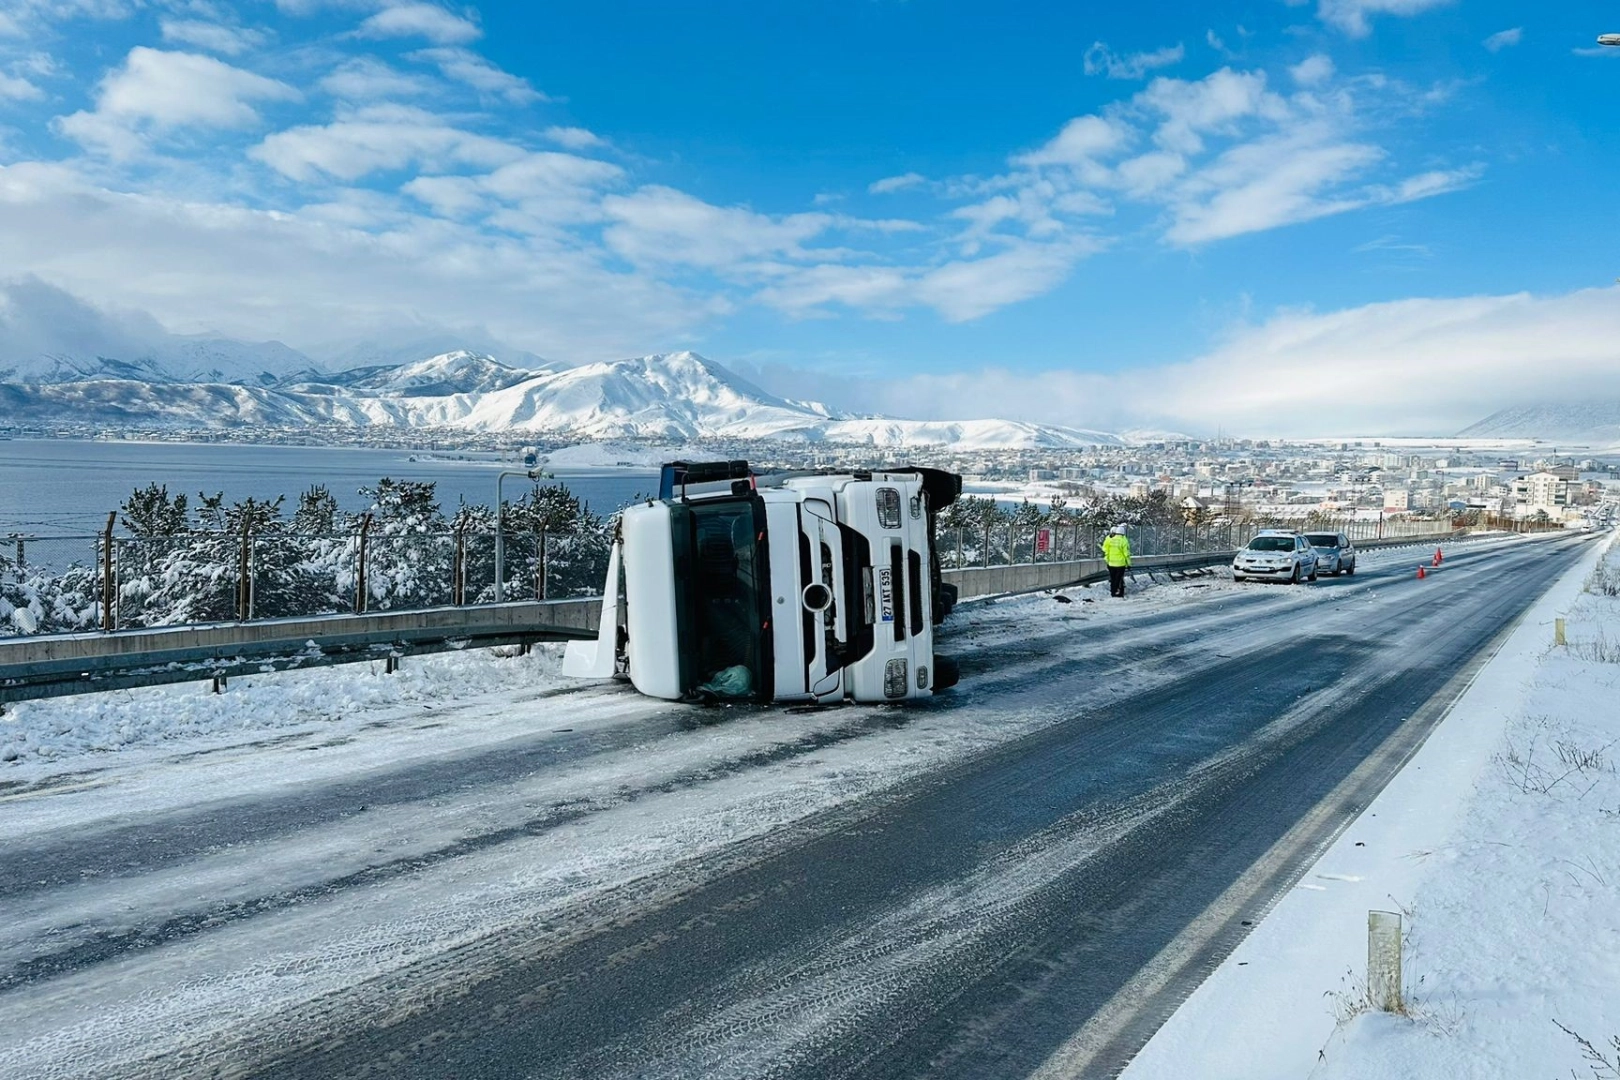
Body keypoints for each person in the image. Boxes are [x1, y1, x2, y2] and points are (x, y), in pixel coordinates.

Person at [1101, 523, 1131, 598]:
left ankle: (1113, 592)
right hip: (1120, 564)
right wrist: (1129, 564)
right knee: (1119, 578)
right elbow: (1126, 554)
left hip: (1111, 563)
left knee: (1113, 578)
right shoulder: (1123, 541)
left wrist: (1107, 560)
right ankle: (1118, 592)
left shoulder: (1111, 540)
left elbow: (1106, 550)